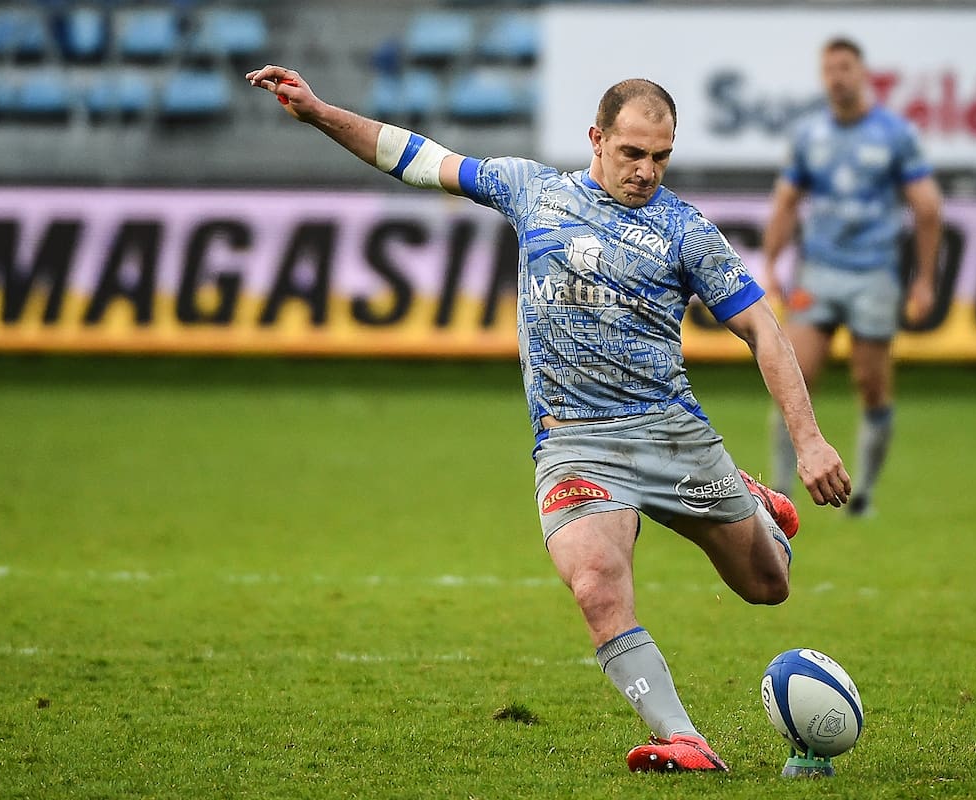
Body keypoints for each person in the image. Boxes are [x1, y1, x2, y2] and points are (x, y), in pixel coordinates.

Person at [247, 64, 851, 773]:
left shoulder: (687, 233)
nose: (646, 171)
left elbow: (763, 330)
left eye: (660, 157)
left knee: (766, 586)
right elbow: (414, 156)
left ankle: (752, 501)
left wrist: (809, 442)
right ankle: (680, 736)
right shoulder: (533, 190)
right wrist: (320, 112)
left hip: (670, 434)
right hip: (575, 446)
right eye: (631, 153)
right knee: (595, 584)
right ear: (596, 138)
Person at [761, 37, 943, 517]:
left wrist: (924, 280)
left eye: (845, 67)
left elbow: (927, 208)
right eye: (829, 69)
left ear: (862, 73)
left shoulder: (894, 134)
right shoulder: (809, 135)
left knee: (871, 384)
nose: (837, 76)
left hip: (874, 276)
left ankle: (861, 494)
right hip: (817, 272)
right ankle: (779, 490)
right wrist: (771, 266)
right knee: (794, 375)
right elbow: (785, 204)